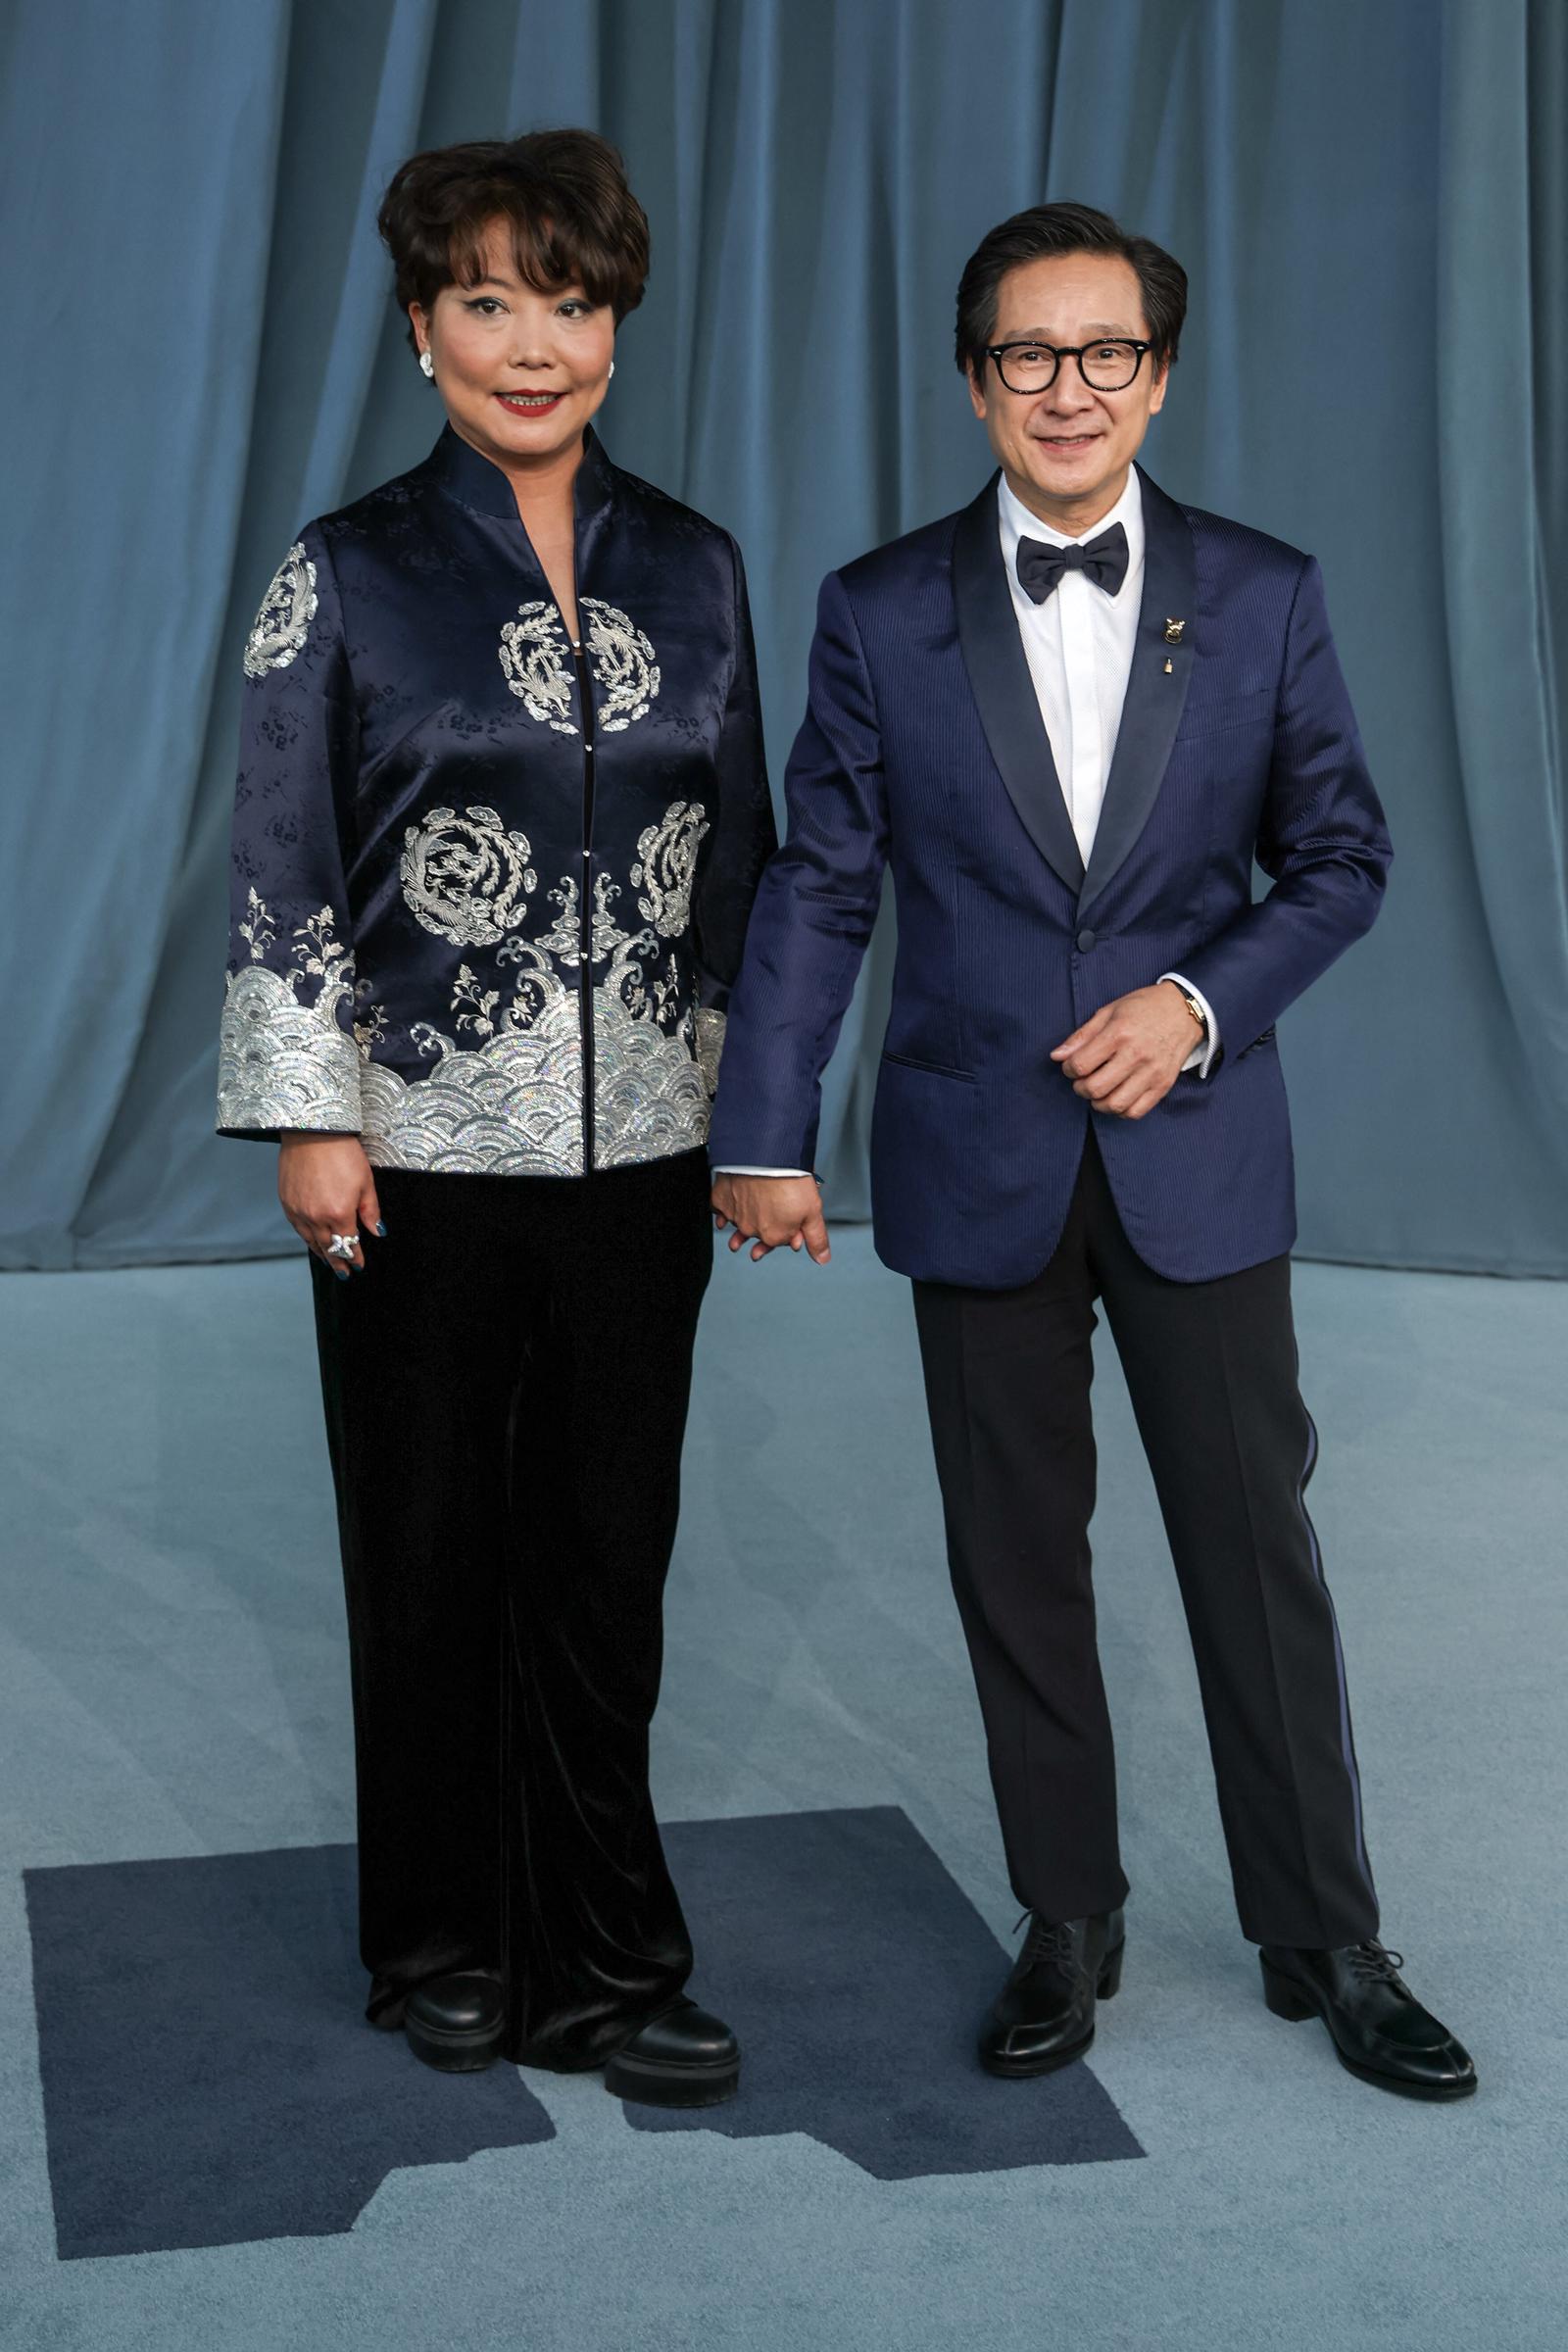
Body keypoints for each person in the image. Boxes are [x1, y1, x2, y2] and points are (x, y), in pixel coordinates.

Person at [709, 202, 1475, 2101]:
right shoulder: (878, 606)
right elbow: (818, 885)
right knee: (1011, 1559)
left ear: (1157, 372)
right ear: (974, 381)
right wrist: (760, 1129)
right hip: (973, 1154)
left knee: (1248, 1548)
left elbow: (1337, 858)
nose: (1067, 387)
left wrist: (1193, 1004)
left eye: (1104, 351)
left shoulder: (1266, 591)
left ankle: (1324, 1933)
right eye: (1028, 355)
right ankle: (1065, 1916)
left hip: (1194, 1150)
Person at [218, 128, 774, 2104]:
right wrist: (312, 1118)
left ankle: (614, 1957)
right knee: (434, 1547)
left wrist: (763, 1116)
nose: (530, 342)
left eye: (570, 298)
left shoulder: (695, 563)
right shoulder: (349, 569)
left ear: (615, 325)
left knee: (606, 1553)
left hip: (646, 1150)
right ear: (416, 327)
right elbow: (283, 848)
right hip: (413, 1152)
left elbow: (743, 872)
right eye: (486, 298)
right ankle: (440, 1937)